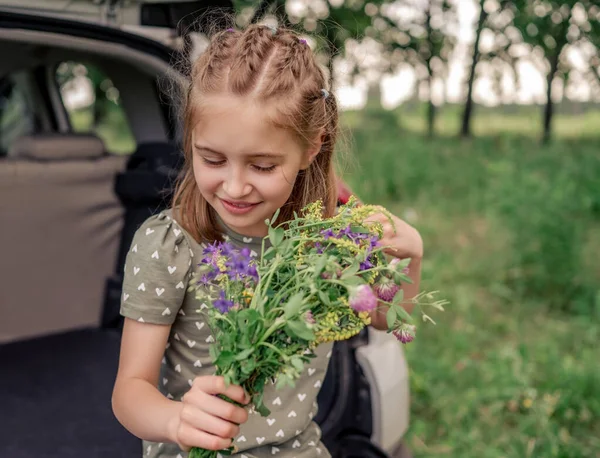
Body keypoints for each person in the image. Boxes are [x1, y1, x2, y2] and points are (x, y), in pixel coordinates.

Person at [111, 23, 423, 458]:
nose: (235, 187)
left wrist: (411, 258)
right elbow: (130, 391)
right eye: (213, 159)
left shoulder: (328, 240)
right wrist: (175, 419)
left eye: (261, 166)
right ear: (191, 141)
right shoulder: (171, 244)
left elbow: (387, 320)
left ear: (311, 148)